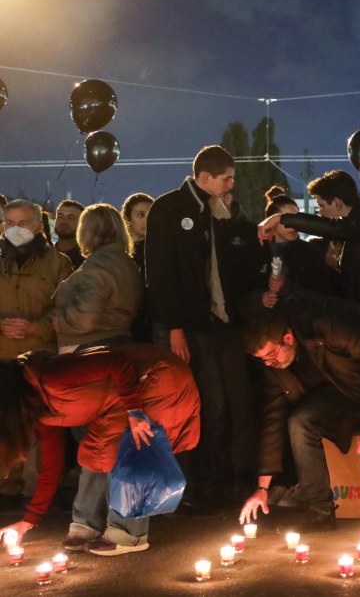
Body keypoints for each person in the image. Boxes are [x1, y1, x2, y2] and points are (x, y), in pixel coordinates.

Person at [237, 292, 360, 530]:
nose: (269, 364)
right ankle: (320, 510)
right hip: (342, 392)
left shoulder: (326, 324)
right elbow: (274, 418)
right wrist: (262, 488)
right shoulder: (275, 367)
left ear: (288, 338)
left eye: (271, 355)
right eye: (262, 360)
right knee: (299, 422)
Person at [145, 145, 266, 507]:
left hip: (221, 324)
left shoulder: (220, 211)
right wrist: (174, 326)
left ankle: (223, 476)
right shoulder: (169, 209)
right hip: (191, 325)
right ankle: (194, 484)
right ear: (206, 177)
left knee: (228, 404)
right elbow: (160, 273)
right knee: (203, 404)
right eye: (226, 178)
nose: (231, 185)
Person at [0, 344, 200, 555]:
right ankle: (87, 525)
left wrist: (134, 410)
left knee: (128, 450)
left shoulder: (54, 376)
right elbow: (52, 463)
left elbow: (117, 362)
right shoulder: (39, 408)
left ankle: (129, 533)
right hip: (114, 400)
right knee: (93, 453)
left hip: (156, 378)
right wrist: (29, 520)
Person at [257, 170, 360, 338]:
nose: (320, 214)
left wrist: (282, 219)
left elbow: (334, 228)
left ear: (336, 203)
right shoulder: (352, 233)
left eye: (321, 206)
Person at [0, 199, 73, 509]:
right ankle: (7, 488)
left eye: (23, 223)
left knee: (41, 429)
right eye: (9, 224)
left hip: (41, 359)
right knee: (5, 424)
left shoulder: (59, 264)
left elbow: (65, 310)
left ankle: (38, 493)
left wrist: (36, 328)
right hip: (3, 357)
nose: (16, 230)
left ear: (40, 227)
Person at [54, 204, 142, 352]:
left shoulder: (98, 264)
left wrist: (60, 322)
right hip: (118, 341)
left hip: (88, 347)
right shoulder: (125, 262)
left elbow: (85, 318)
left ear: (86, 230)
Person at [261, 186, 336, 308]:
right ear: (272, 221)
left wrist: (287, 288)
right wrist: (260, 299)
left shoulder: (310, 254)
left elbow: (322, 296)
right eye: (287, 219)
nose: (294, 225)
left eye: (296, 219)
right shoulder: (258, 251)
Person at [121, 193, 155, 343]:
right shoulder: (119, 250)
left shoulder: (157, 249)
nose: (147, 220)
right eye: (141, 215)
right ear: (128, 219)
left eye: (151, 214)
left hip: (150, 318)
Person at [53, 199, 85, 269]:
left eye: (71, 217)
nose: (63, 221)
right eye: (60, 216)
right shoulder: (43, 255)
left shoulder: (87, 261)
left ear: (81, 224)